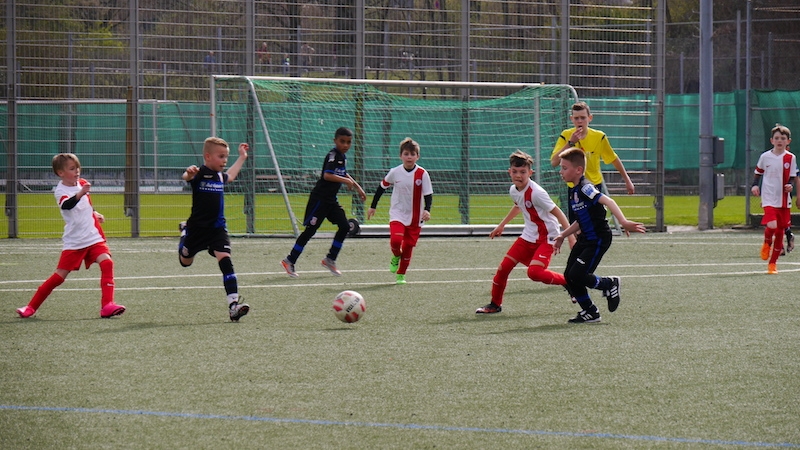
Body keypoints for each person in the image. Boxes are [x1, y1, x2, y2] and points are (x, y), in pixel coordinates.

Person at [16, 154, 125, 319]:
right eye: (72, 169)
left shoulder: (82, 184)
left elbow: (86, 205)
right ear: (61, 173)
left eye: (77, 167)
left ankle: (107, 305)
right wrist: (81, 193)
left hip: (92, 237)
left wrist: (95, 213)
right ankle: (31, 307)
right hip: (75, 242)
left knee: (107, 262)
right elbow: (67, 205)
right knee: (59, 277)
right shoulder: (60, 190)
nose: (77, 171)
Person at [553, 147, 646, 323]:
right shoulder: (573, 192)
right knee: (569, 276)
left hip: (598, 239)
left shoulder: (585, 187)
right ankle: (590, 312)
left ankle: (608, 284)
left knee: (578, 274)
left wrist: (623, 221)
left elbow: (608, 201)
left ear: (578, 170)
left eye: (564, 168)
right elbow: (581, 220)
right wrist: (563, 235)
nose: (561, 171)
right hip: (585, 239)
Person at [475, 150, 573, 314]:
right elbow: (518, 206)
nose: (518, 175)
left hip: (547, 237)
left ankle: (569, 282)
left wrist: (569, 237)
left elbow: (558, 213)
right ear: (509, 172)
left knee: (534, 273)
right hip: (528, 236)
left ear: (530, 173)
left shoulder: (537, 193)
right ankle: (495, 304)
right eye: (515, 171)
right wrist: (501, 225)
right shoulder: (513, 190)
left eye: (522, 172)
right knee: (503, 269)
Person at [179, 137, 250, 321]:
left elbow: (231, 176)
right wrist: (189, 173)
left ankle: (233, 306)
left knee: (226, 261)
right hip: (197, 229)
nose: (224, 161)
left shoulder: (219, 176)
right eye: (221, 156)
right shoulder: (199, 173)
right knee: (185, 261)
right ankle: (184, 233)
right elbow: (187, 177)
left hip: (217, 229)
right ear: (208, 156)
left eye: (226, 157)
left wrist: (242, 157)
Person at [281, 127, 367, 278]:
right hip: (320, 200)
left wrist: (357, 187)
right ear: (335, 141)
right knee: (310, 230)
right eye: (342, 141)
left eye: (348, 142)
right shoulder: (332, 156)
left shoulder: (342, 157)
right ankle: (289, 260)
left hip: (331, 201)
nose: (345, 145)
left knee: (345, 226)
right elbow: (327, 175)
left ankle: (330, 259)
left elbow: (343, 173)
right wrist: (346, 181)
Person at [550, 101, 635, 223]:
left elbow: (613, 158)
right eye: (576, 118)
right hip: (575, 187)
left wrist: (627, 180)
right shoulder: (566, 135)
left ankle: (621, 223)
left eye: (583, 118)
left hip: (594, 186)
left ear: (590, 118)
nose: (580, 121)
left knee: (596, 222)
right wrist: (570, 143)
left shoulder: (599, 137)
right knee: (577, 223)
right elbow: (554, 162)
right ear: (571, 119)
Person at [366, 137, 433, 285]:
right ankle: (396, 255)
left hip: (415, 217)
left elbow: (428, 194)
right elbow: (381, 187)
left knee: (408, 247)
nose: (409, 157)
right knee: (396, 241)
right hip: (397, 213)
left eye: (412, 154)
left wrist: (427, 210)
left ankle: (401, 275)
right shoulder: (395, 172)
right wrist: (373, 206)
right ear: (400, 156)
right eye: (406, 154)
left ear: (417, 156)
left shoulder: (422, 174)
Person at [751, 124, 796, 274]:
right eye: (776, 138)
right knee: (771, 225)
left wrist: (790, 185)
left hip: (783, 200)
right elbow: (758, 173)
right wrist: (754, 185)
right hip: (768, 197)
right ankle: (766, 242)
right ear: (771, 140)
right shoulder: (765, 157)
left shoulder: (790, 158)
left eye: (783, 138)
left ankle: (772, 264)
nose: (779, 140)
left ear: (788, 141)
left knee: (780, 232)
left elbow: (792, 177)